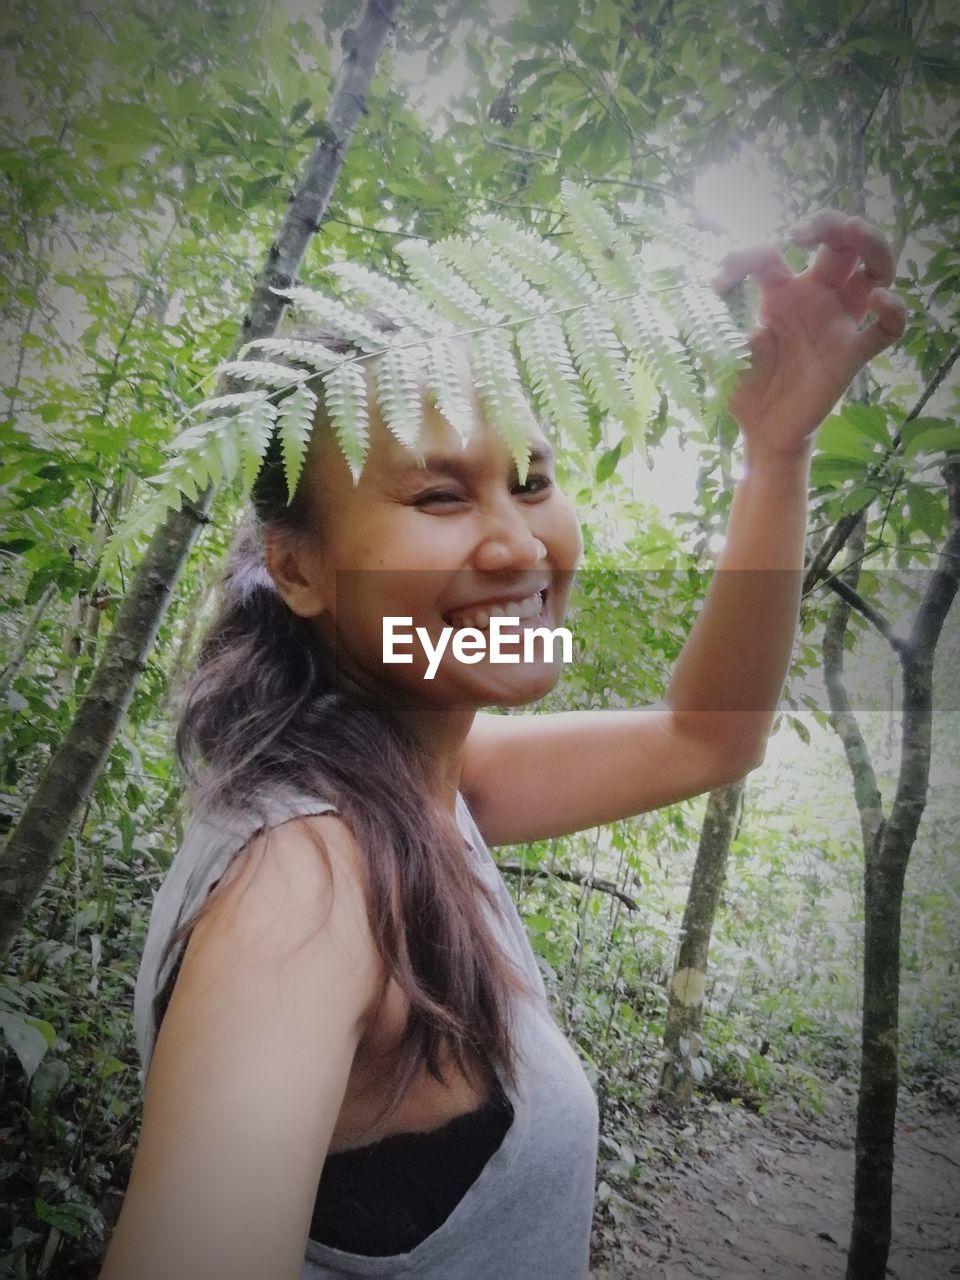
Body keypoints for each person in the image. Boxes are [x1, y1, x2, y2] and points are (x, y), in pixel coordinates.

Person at [100, 211, 904, 1280]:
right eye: (439, 494)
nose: (521, 543)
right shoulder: (311, 882)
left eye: (531, 481)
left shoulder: (417, 776)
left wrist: (778, 449)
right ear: (296, 571)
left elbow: (710, 735)